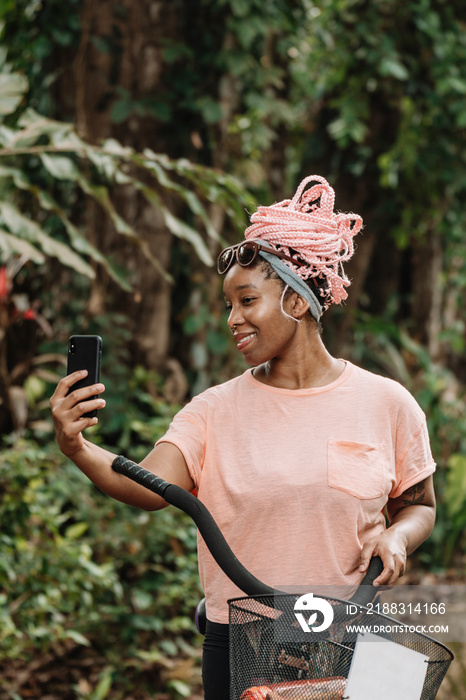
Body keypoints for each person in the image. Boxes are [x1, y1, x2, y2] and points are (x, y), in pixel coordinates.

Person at [50, 175, 436, 700]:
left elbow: (418, 506)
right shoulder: (213, 410)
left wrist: (398, 535)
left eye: (247, 300)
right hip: (243, 645)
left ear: (297, 303)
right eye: (228, 304)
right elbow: (149, 487)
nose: (232, 319)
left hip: (352, 634)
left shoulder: (387, 403)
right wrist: (77, 447)